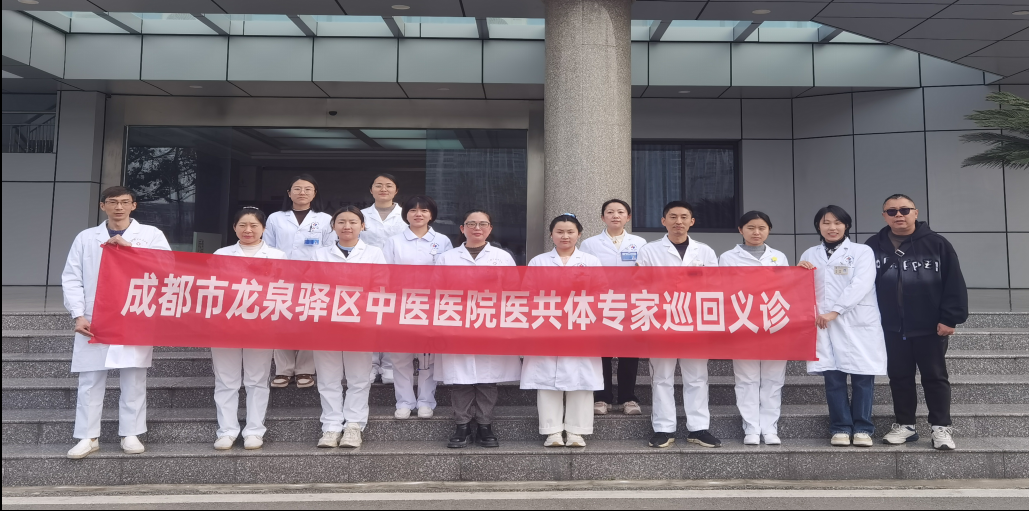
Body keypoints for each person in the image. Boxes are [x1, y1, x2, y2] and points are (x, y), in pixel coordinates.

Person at [62, 186, 171, 459]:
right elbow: (72, 277)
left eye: (124, 202)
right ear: (103, 206)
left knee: (133, 377)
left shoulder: (151, 235)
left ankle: (131, 433)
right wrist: (78, 314)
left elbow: (167, 268)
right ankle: (87, 436)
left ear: (134, 205)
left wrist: (131, 250)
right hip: (94, 316)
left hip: (134, 314)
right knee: (90, 379)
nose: (119, 207)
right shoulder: (86, 237)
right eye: (112, 202)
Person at [866, 194, 967, 451]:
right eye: (891, 211)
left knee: (935, 377)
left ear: (915, 212)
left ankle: (941, 427)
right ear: (884, 216)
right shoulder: (872, 246)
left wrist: (950, 318)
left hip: (930, 326)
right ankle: (905, 426)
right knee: (899, 377)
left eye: (904, 210)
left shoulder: (938, 244)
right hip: (889, 326)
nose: (898, 215)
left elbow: (954, 282)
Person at [798, 205, 887, 447]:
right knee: (833, 378)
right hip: (823, 324)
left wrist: (836, 310)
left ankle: (863, 428)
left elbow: (862, 284)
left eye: (838, 222)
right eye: (826, 222)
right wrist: (799, 273)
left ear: (846, 225)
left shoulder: (861, 252)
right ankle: (840, 427)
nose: (832, 227)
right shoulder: (810, 254)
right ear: (818, 226)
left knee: (862, 377)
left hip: (856, 322)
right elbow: (802, 288)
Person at [636, 200, 721, 449]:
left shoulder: (704, 251)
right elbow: (640, 284)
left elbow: (714, 285)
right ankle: (663, 429)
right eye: (672, 217)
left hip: (695, 321)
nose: (678, 222)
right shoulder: (649, 250)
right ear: (663, 221)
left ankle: (699, 428)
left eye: (684, 217)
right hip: (660, 320)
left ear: (692, 222)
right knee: (662, 377)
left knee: (697, 377)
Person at [435, 210, 521, 448]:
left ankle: (485, 424)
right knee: (460, 378)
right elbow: (436, 291)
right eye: (471, 224)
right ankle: (461, 425)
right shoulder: (447, 258)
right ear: (462, 228)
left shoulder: (502, 257)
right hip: (457, 322)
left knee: (487, 377)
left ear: (490, 229)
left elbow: (513, 292)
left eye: (483, 224)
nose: (477, 228)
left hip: (490, 323)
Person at [523, 214, 604, 448]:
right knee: (547, 379)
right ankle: (552, 432)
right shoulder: (539, 261)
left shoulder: (591, 261)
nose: (565, 236)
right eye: (560, 231)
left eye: (570, 232)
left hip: (582, 325)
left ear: (579, 234)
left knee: (582, 380)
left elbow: (602, 291)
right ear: (551, 235)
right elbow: (528, 292)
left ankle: (577, 432)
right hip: (547, 325)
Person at [208, 207, 285, 451]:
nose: (248, 230)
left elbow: (284, 289)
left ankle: (254, 431)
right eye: (242, 225)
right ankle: (227, 431)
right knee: (226, 380)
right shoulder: (221, 254)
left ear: (263, 228)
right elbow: (210, 288)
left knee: (257, 380)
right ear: (234, 228)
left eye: (254, 225)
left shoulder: (278, 256)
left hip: (261, 326)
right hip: (225, 325)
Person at [310, 206, 384, 449]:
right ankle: (331, 426)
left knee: (359, 377)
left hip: (360, 322)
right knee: (327, 378)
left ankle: (354, 425)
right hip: (326, 323)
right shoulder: (319, 254)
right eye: (341, 221)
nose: (347, 226)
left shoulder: (373, 253)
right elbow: (312, 286)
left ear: (363, 226)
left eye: (353, 221)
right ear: (333, 226)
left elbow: (381, 286)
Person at [718, 211, 790, 446]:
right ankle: (750, 427)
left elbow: (788, 289)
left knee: (773, 379)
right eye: (750, 227)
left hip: (774, 324)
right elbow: (724, 290)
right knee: (746, 379)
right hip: (743, 323)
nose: (756, 232)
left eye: (761, 228)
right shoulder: (728, 258)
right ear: (741, 230)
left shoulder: (779, 257)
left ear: (769, 230)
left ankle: (770, 428)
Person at [382, 195, 453, 420]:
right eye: (413, 210)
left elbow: (448, 275)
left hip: (431, 306)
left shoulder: (442, 241)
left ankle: (425, 401)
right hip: (400, 305)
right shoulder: (394, 241)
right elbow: (385, 274)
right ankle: (404, 401)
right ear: (406, 214)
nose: (418, 214)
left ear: (431, 215)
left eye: (424, 210)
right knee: (400, 357)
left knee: (427, 357)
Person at [264, 174, 334, 390]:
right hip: (281, 278)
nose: (302, 192)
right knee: (280, 321)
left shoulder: (325, 219)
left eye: (307, 189)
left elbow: (329, 249)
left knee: (310, 321)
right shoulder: (275, 218)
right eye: (297, 188)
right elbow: (268, 248)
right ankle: (283, 369)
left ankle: (305, 369)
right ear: (289, 193)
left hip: (314, 278)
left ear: (315, 193)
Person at [579, 199, 648, 417]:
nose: (615, 215)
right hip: (601, 303)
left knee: (629, 352)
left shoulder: (640, 242)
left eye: (620, 212)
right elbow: (584, 273)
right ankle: (602, 398)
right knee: (602, 352)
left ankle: (628, 398)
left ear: (628, 217)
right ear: (602, 217)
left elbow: (646, 274)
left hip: (631, 304)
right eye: (610, 212)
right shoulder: (590, 244)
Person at [360, 173, 406, 384]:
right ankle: (370, 365)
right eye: (378, 185)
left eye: (389, 185)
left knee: (390, 321)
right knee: (368, 321)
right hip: (366, 276)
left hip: (396, 276)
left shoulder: (406, 215)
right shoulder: (360, 215)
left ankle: (388, 365)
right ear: (371, 190)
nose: (383, 189)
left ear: (396, 190)